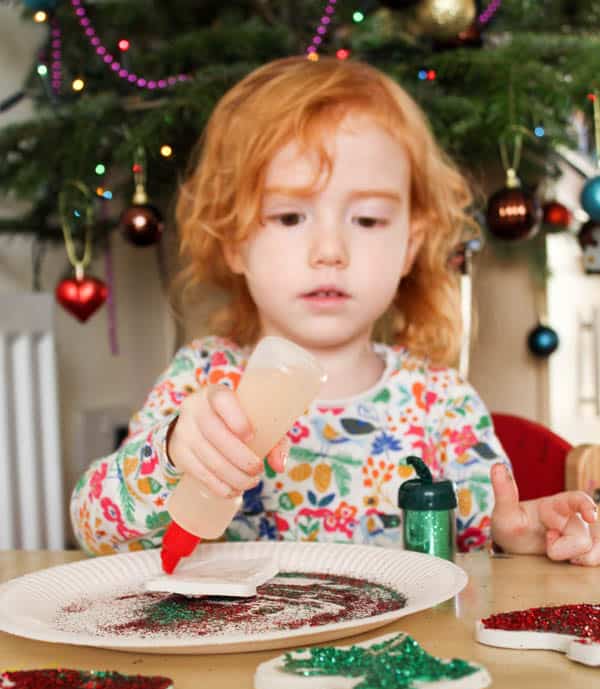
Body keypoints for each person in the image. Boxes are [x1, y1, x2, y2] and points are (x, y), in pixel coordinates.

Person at [71, 56, 600, 565]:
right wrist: (170, 452)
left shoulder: (441, 403)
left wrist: (515, 539)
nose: (330, 250)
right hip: (236, 656)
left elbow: (486, 549)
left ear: (410, 245)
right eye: (289, 216)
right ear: (233, 241)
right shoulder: (202, 380)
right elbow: (93, 528)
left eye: (367, 220)